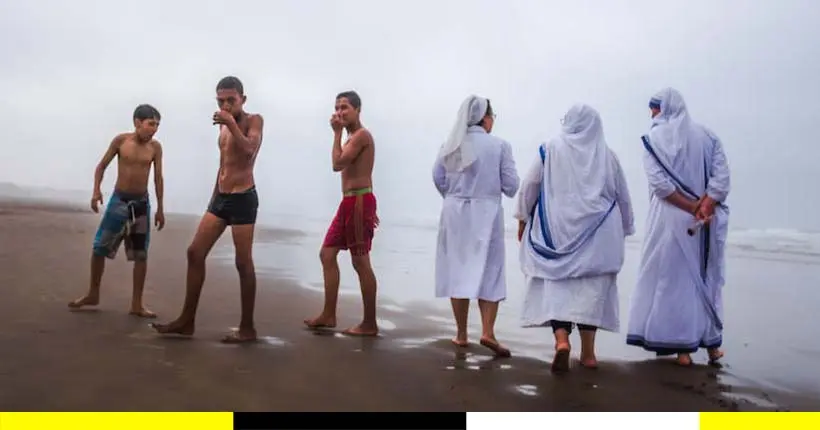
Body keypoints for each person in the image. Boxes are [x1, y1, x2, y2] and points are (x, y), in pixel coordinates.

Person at [514, 104, 635, 372]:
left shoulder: (550, 148)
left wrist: (522, 217)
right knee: (589, 293)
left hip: (556, 232)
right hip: (598, 235)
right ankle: (589, 354)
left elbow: (530, 185)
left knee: (558, 287)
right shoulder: (608, 155)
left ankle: (561, 341)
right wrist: (626, 227)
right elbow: (622, 195)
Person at [152, 76, 264, 343]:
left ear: (243, 100)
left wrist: (230, 124)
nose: (225, 105)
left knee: (242, 262)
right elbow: (224, 163)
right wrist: (213, 198)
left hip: (243, 198)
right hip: (221, 198)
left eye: (231, 100)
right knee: (194, 252)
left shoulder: (253, 120)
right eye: (221, 101)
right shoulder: (222, 126)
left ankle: (247, 328)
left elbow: (249, 150)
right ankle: (186, 321)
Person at [626, 88, 731, 366]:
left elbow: (661, 186)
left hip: (668, 222)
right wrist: (705, 205)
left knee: (672, 282)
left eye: (654, 109)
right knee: (705, 280)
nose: (652, 115)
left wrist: (691, 207)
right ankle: (711, 347)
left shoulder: (652, 139)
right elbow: (721, 179)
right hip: (706, 224)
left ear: (664, 109)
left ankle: (683, 350)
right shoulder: (709, 137)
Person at [432, 95, 520, 357]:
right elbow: (512, 186)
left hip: (454, 212)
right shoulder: (500, 146)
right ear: (486, 118)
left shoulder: (450, 145)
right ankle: (487, 331)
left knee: (458, 270)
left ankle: (461, 334)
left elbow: (437, 177)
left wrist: (454, 195)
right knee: (490, 271)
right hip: (486, 212)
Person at [68, 104, 166, 318]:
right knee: (100, 247)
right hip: (119, 200)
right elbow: (101, 166)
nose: (154, 129)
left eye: (157, 125)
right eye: (151, 124)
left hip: (141, 204)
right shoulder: (122, 141)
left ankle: (137, 304)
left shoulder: (155, 148)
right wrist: (96, 191)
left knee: (141, 254)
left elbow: (158, 178)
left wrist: (160, 208)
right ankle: (93, 293)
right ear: (137, 122)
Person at [304, 91, 380, 337]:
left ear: (358, 110)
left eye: (345, 107)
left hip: (359, 200)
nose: (339, 112)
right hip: (348, 202)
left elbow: (338, 164)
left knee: (360, 261)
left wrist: (336, 133)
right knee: (327, 254)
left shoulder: (361, 136)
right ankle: (328, 314)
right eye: (337, 107)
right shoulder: (350, 138)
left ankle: (369, 323)